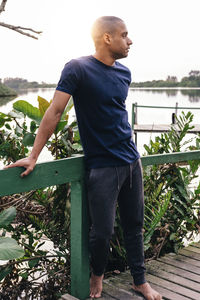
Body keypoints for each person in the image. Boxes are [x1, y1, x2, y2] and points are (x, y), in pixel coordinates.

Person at [5, 16, 162, 300]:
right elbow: (54, 112)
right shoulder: (77, 68)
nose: (130, 41)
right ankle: (96, 276)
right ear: (107, 38)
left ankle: (140, 281)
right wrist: (33, 155)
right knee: (101, 231)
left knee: (134, 225)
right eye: (125, 35)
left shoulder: (124, 72)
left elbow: (115, 115)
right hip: (102, 166)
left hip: (131, 161)